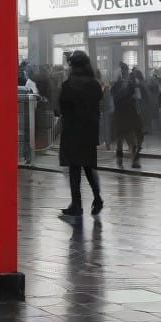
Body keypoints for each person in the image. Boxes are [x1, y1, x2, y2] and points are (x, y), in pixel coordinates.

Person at [56, 50, 104, 218]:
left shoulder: (68, 85)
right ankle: (97, 198)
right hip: (89, 131)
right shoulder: (94, 84)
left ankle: (76, 204)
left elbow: (61, 108)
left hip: (72, 130)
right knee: (89, 167)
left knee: (74, 168)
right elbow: (99, 102)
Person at [111, 63, 143, 168]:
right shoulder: (129, 84)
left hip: (124, 113)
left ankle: (124, 158)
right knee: (127, 137)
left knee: (125, 137)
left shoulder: (122, 85)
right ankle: (132, 159)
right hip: (127, 112)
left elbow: (137, 97)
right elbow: (138, 97)